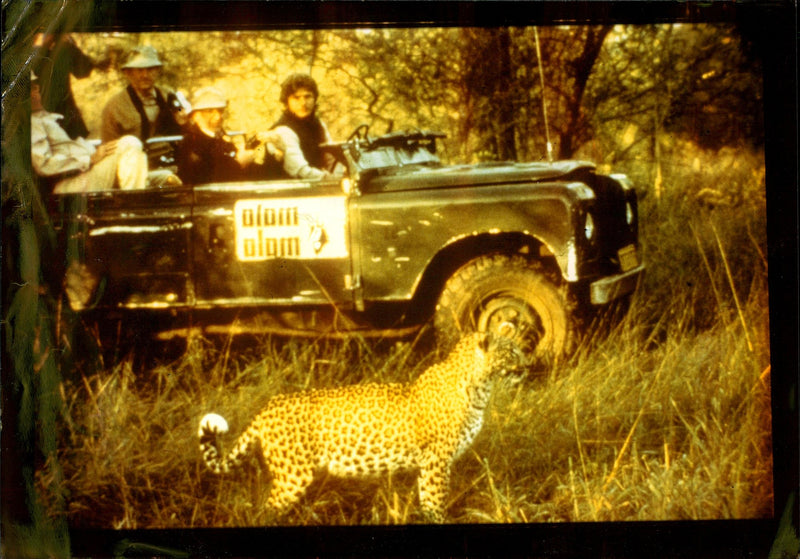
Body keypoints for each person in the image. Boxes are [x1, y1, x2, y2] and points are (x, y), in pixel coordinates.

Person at [31, 72, 148, 194]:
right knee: (129, 143)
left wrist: (96, 154)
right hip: (70, 185)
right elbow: (44, 166)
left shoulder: (43, 117)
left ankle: (135, 197)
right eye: (32, 88)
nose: (37, 92)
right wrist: (90, 159)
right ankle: (133, 203)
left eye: (36, 87)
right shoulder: (31, 124)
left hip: (84, 175)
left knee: (160, 175)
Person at [176, 86, 283, 185]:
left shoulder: (219, 135)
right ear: (196, 116)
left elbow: (235, 160)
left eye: (220, 110)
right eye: (210, 111)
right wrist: (239, 164)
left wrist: (266, 150)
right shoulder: (192, 143)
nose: (217, 116)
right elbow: (203, 178)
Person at [100, 46, 184, 143]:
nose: (145, 75)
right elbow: (109, 146)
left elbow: (181, 112)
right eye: (139, 70)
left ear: (158, 71)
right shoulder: (114, 107)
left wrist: (182, 115)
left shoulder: (169, 95)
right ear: (128, 73)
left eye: (150, 69)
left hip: (170, 154)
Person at [271, 73, 337, 179]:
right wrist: (331, 178)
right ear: (287, 102)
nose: (303, 103)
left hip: (318, 185)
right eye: (296, 98)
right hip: (292, 190)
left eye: (307, 96)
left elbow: (332, 158)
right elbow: (301, 172)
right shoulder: (283, 131)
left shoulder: (319, 125)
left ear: (314, 98)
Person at [33, 32, 95, 139]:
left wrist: (69, 43)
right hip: (35, 121)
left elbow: (84, 71)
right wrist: (41, 46)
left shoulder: (62, 49)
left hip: (66, 120)